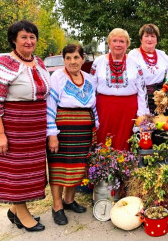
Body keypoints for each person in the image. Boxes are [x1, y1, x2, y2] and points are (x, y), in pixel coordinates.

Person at [0, 20, 50, 231]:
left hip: (35, 129)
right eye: (24, 37)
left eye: (32, 36)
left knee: (31, 171)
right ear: (14, 40)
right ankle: (23, 215)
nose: (29, 41)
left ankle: (15, 211)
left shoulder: (40, 62)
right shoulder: (4, 64)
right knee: (16, 171)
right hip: (14, 127)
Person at [47, 44, 99, 225]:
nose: (72, 61)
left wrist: (96, 126)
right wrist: (52, 133)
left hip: (84, 128)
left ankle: (69, 200)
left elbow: (93, 105)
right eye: (68, 58)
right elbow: (50, 106)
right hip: (63, 128)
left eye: (76, 57)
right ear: (64, 60)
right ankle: (57, 206)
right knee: (59, 167)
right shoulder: (57, 77)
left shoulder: (90, 79)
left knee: (77, 165)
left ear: (83, 59)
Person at [90, 28, 149, 149]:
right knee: (104, 140)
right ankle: (104, 166)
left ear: (127, 44)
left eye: (122, 41)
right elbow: (91, 88)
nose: (118, 44)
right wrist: (92, 113)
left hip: (128, 110)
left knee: (126, 141)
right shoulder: (98, 62)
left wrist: (142, 115)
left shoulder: (135, 63)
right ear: (109, 43)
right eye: (114, 41)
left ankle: (126, 166)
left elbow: (142, 91)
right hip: (104, 110)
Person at [127, 24, 168, 113]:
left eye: (153, 36)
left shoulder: (162, 55)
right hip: (140, 97)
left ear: (157, 40)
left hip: (160, 99)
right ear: (141, 39)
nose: (149, 39)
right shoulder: (133, 55)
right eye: (146, 36)